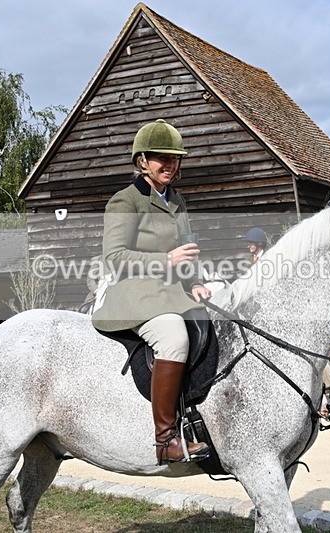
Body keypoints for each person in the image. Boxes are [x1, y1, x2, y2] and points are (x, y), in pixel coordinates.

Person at [92, 119, 211, 465]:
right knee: (174, 338)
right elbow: (114, 258)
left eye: (175, 158)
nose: (170, 165)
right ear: (142, 160)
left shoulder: (177, 200)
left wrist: (196, 282)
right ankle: (166, 440)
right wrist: (166, 259)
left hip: (174, 291)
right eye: (162, 157)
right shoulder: (124, 202)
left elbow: (187, 248)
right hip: (135, 292)